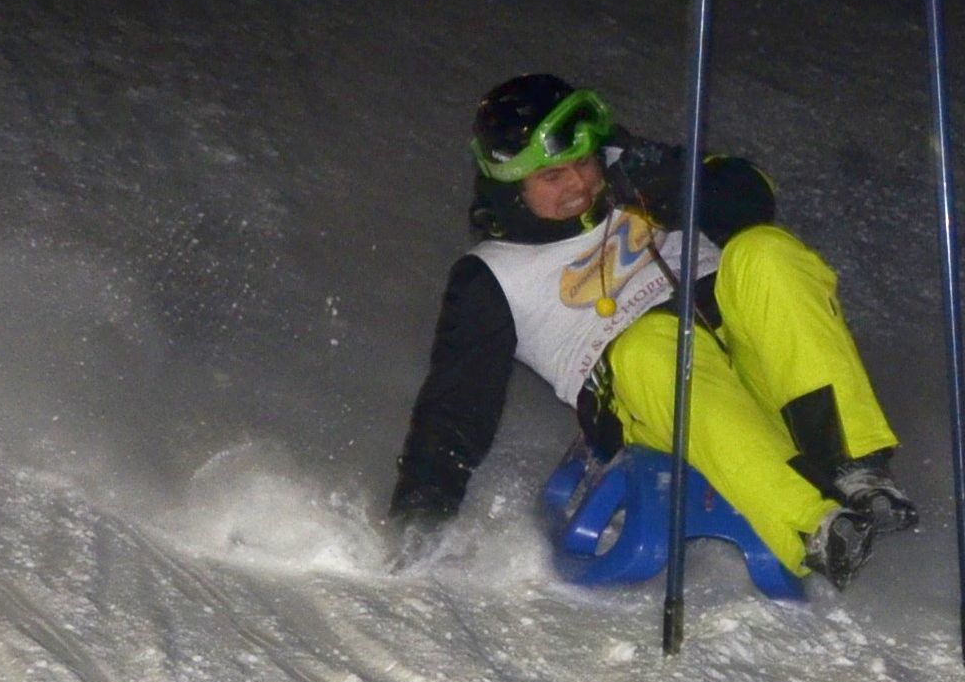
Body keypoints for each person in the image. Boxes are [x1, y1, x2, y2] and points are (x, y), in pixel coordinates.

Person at [389, 74, 919, 586]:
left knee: (764, 252)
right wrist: (419, 522)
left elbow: (753, 195)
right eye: (552, 178)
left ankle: (856, 469)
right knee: (650, 349)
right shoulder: (490, 276)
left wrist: (680, 186)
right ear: (509, 184)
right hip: (650, 389)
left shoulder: (630, 170)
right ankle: (815, 525)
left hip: (749, 344)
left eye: (584, 163)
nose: (579, 185)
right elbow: (454, 409)